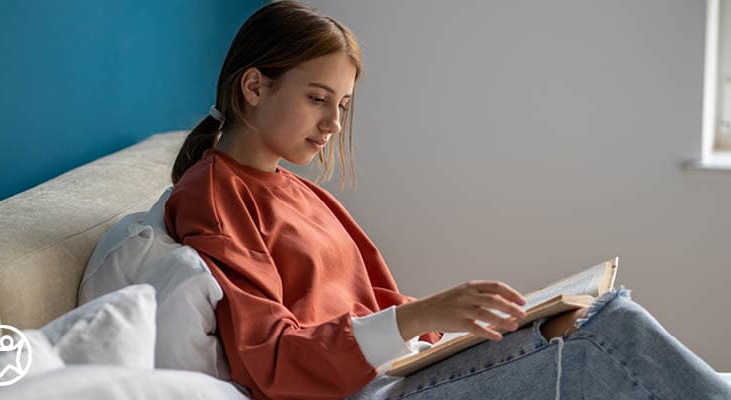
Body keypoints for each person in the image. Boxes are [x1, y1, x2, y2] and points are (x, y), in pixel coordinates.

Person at [164, 1, 731, 399]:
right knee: (610, 331)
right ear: (255, 86)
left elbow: (376, 305)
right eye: (318, 99)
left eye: (342, 104)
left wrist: (450, 329)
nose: (334, 123)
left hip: (392, 373)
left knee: (581, 318)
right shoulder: (215, 199)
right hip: (359, 393)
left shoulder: (296, 190)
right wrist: (422, 314)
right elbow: (272, 360)